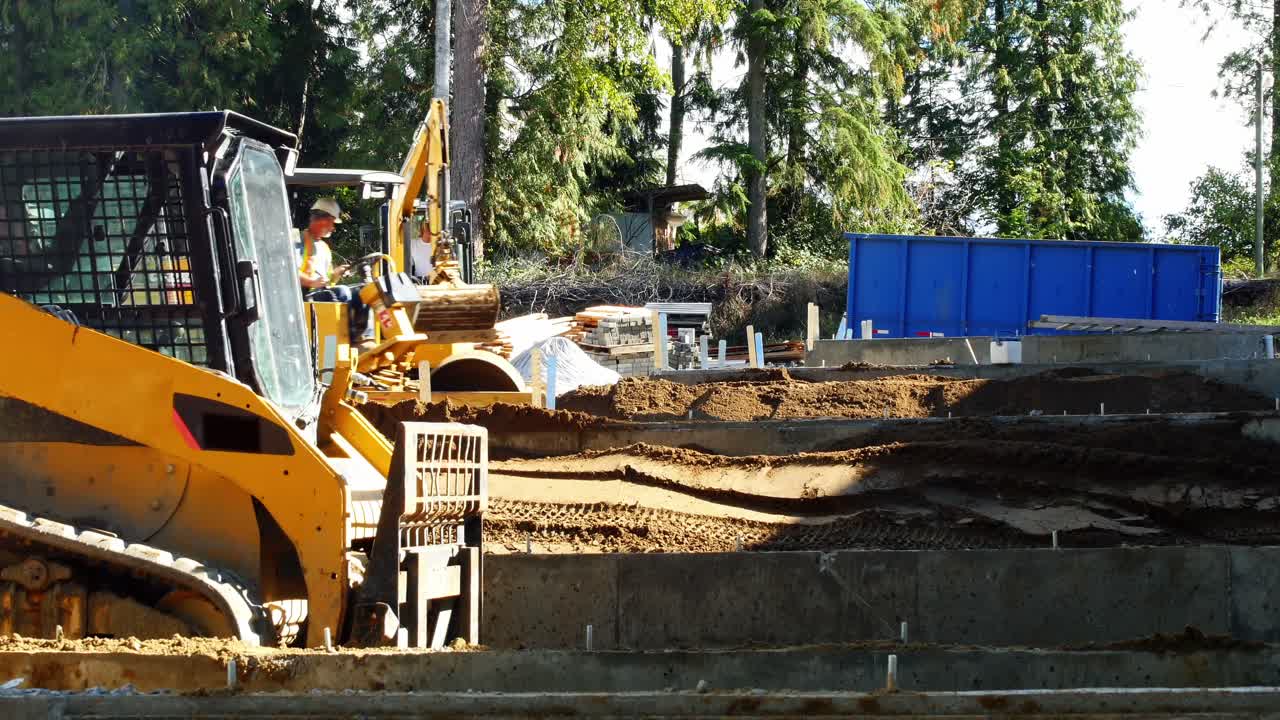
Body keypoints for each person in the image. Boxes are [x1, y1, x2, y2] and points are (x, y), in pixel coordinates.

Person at [296, 198, 374, 348]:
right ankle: (346, 341)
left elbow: (328, 282)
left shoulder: (324, 248)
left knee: (363, 292)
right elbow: (288, 273)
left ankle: (364, 338)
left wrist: (336, 274)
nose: (333, 228)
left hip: (321, 293)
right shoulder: (299, 240)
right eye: (332, 223)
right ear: (322, 220)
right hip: (304, 297)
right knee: (343, 291)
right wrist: (312, 282)